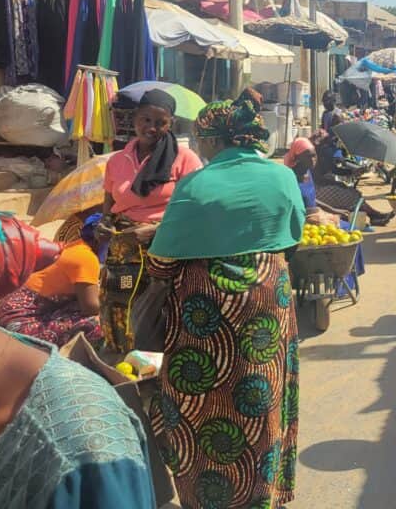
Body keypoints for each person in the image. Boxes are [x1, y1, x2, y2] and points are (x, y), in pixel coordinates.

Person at [148, 88, 304, 509]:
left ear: (214, 141)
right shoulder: (283, 176)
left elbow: (161, 264)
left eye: (200, 141)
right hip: (269, 303)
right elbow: (292, 239)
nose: (198, 148)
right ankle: (262, 495)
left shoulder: (196, 184)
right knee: (262, 397)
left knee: (201, 408)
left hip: (204, 319)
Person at [0, 213, 156, 509]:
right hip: (23, 318)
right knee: (96, 322)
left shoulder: (83, 443)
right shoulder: (85, 259)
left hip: (18, 311)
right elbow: (90, 306)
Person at [101, 89, 202, 353]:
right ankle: (125, 354)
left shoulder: (185, 159)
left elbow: (196, 208)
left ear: (170, 124)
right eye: (146, 119)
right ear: (135, 119)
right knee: (122, 297)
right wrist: (104, 221)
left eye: (161, 122)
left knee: (160, 303)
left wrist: (157, 229)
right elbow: (109, 199)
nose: (152, 127)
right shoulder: (116, 160)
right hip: (125, 247)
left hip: (166, 245)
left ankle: (161, 360)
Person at [0, 212, 103, 346]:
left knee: (79, 303)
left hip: (4, 313)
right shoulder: (87, 258)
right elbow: (90, 308)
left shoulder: (74, 246)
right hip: (18, 325)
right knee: (99, 323)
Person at [310, 131, 393, 226]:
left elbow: (333, 170)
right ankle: (374, 215)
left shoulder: (322, 153)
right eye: (328, 141)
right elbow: (326, 174)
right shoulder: (317, 156)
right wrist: (349, 174)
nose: (331, 143)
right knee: (352, 196)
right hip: (318, 191)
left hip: (322, 187)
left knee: (351, 193)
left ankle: (374, 215)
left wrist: (351, 173)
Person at [284, 136, 323, 222]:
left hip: (313, 214)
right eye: (308, 156)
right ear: (298, 158)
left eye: (314, 155)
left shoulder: (308, 171)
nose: (313, 160)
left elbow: (310, 199)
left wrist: (334, 210)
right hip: (302, 219)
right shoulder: (292, 176)